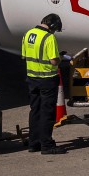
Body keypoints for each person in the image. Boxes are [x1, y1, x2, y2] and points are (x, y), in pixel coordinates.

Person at [21, 14, 66, 155]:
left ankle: (34, 143)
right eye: (55, 29)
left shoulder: (28, 34)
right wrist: (61, 57)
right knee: (47, 113)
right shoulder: (49, 38)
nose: (54, 32)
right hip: (47, 79)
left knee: (35, 110)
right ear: (53, 26)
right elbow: (53, 61)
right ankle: (46, 145)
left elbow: (24, 56)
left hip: (31, 78)